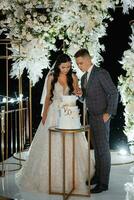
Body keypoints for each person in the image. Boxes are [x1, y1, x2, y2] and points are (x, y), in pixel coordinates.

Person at [15, 54, 95, 194]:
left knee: (71, 141)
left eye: (69, 67)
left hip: (68, 112)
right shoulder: (51, 77)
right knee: (50, 142)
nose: (66, 69)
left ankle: (74, 177)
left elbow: (77, 93)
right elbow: (47, 97)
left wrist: (78, 91)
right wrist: (44, 114)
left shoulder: (74, 77)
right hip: (53, 113)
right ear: (58, 66)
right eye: (63, 67)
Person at [74, 49, 118, 193]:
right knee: (97, 150)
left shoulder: (101, 73)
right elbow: (85, 98)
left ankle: (103, 184)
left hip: (102, 117)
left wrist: (109, 113)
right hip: (92, 117)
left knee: (103, 151)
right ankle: (98, 177)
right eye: (77, 64)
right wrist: (80, 95)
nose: (79, 66)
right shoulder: (83, 78)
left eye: (81, 63)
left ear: (88, 60)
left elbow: (113, 92)